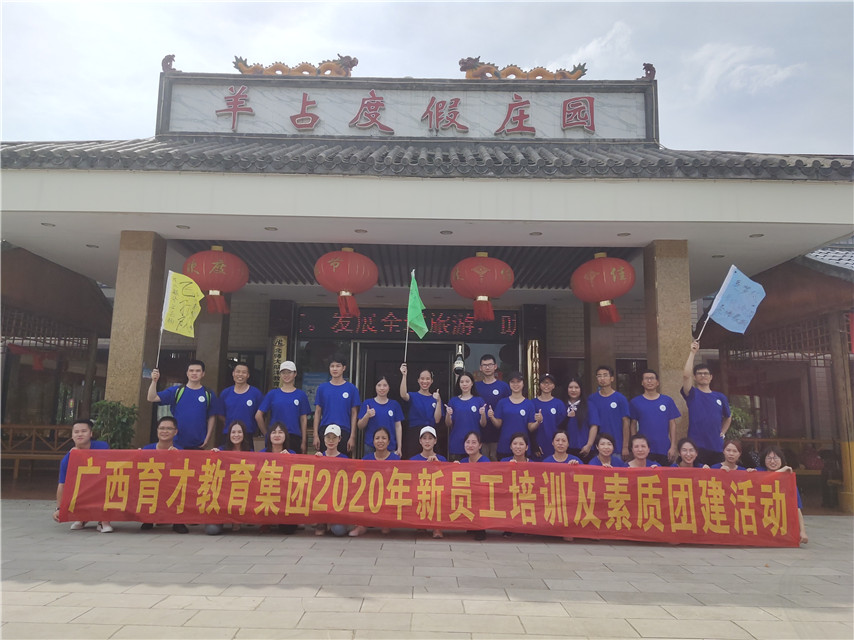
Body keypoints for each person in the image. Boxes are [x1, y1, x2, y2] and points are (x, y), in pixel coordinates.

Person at [53, 418, 112, 533]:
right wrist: (59, 509)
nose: (80, 434)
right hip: (82, 490)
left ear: (91, 434)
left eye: (84, 431)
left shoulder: (102, 447)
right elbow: (62, 484)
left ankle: (103, 520)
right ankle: (82, 517)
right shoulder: (67, 459)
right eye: (76, 432)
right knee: (74, 487)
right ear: (72, 435)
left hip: (101, 486)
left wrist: (81, 455)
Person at [681, 340, 732, 466]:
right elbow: (686, 376)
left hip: (717, 446)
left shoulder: (720, 397)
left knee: (718, 476)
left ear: (711, 377)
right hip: (696, 447)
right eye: (699, 374)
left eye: (706, 373)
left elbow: (728, 417)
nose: (703, 376)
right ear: (695, 377)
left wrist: (723, 432)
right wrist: (692, 353)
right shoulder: (692, 394)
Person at [147, 360, 217, 450]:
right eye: (191, 370)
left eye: (198, 371)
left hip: (198, 443)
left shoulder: (208, 393)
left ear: (203, 374)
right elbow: (152, 398)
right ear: (187, 373)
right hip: (176, 443)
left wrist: (207, 438)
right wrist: (154, 381)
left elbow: (212, 416)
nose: (194, 373)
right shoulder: (176, 391)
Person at [139, 416, 189, 534]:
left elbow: (184, 474)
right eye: (161, 428)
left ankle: (177, 521)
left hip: (171, 486)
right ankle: (148, 518)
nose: (164, 431)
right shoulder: (147, 450)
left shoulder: (180, 451)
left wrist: (176, 459)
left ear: (175, 432)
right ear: (157, 430)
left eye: (169, 429)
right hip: (151, 484)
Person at [206, 421, 254, 535]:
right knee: (212, 530)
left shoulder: (250, 452)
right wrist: (214, 456)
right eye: (233, 432)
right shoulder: (221, 450)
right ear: (229, 434)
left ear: (244, 434)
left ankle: (237, 518)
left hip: (241, 491)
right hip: (223, 493)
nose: (236, 435)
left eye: (239, 432)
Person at [351, 427, 399, 537]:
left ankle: (386, 522)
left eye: (384, 438)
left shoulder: (395, 459)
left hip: (387, 496)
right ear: (373, 441)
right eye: (377, 438)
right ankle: (361, 525)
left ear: (389, 441)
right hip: (369, 495)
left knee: (385, 531)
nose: (380, 441)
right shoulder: (366, 458)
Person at [256, 361, 310, 454]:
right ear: (280, 375)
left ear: (295, 374)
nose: (286, 375)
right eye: (283, 372)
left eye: (289, 372)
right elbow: (258, 415)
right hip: (276, 437)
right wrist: (267, 434)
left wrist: (304, 441)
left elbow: (303, 419)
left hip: (294, 436)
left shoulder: (301, 395)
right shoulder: (272, 394)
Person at [758, 445, 808, 544]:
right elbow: (763, 480)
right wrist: (781, 471)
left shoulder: (788, 479)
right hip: (761, 522)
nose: (772, 461)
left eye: (776, 458)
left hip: (780, 523)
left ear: (782, 459)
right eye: (769, 458)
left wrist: (803, 532)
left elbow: (796, 507)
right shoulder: (758, 471)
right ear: (764, 460)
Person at [630, 369, 681, 465]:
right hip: (644, 449)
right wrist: (634, 444)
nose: (649, 381)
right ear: (642, 382)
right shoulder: (635, 402)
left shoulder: (667, 400)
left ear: (657, 382)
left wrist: (673, 446)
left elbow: (672, 424)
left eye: (652, 378)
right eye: (646, 378)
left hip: (664, 448)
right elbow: (633, 425)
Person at [313, 355, 360, 455]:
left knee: (343, 462)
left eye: (338, 366)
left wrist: (352, 436)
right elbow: (317, 412)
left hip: (344, 430)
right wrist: (315, 435)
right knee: (324, 461)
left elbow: (354, 414)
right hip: (325, 429)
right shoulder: (322, 388)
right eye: (332, 366)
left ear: (344, 368)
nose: (335, 369)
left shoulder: (352, 389)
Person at [489, 371, 536, 461]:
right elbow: (498, 424)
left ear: (523, 384)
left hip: (522, 447)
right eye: (512, 382)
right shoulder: (502, 402)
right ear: (509, 384)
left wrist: (538, 421)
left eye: (518, 382)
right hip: (504, 445)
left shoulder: (529, 404)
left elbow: (530, 427)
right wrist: (492, 417)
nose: (515, 384)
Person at [399, 363, 443, 459]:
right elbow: (403, 395)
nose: (425, 381)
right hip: (414, 434)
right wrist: (404, 375)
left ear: (431, 381)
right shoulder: (413, 395)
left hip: (430, 435)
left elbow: (437, 419)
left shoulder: (435, 398)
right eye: (422, 379)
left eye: (427, 379)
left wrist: (438, 401)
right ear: (418, 380)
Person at [217, 362, 264, 449]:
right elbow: (220, 414)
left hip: (248, 433)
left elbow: (260, 414)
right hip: (228, 433)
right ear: (233, 373)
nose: (240, 374)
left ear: (248, 375)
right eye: (238, 371)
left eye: (244, 372)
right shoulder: (225, 393)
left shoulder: (256, 393)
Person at [410, 426, 446, 538]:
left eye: (430, 438)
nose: (427, 441)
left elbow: (446, 479)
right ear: (420, 441)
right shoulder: (413, 460)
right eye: (424, 438)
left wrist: (438, 464)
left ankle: (437, 527)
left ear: (435, 441)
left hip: (436, 492)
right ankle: (421, 524)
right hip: (420, 491)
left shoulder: (442, 459)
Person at [588, 366, 631, 460]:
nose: (602, 378)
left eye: (605, 375)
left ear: (612, 378)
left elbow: (626, 423)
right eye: (599, 376)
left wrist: (625, 446)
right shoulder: (592, 399)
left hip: (617, 447)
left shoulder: (620, 399)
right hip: (597, 448)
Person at [314, 424, 349, 537]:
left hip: (338, 501)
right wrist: (316, 461)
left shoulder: (345, 459)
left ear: (339, 439)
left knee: (339, 530)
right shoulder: (319, 457)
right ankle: (322, 521)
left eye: (334, 437)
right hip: (322, 499)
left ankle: (331, 522)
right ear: (323, 439)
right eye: (328, 437)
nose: (331, 440)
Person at [357, 376, 404, 458]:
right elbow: (360, 426)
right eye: (379, 385)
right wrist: (367, 416)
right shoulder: (368, 403)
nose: (382, 388)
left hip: (390, 445)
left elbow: (398, 426)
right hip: (371, 446)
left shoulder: (394, 405)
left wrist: (399, 447)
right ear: (375, 387)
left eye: (385, 385)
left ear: (389, 387)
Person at [454, 431, 489, 541]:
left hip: (481, 495)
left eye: (474, 442)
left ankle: (480, 528)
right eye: (467, 442)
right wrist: (455, 468)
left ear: (480, 445)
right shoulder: (463, 461)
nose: (470, 445)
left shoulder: (485, 461)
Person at [475, 354, 510, 460]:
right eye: (484, 365)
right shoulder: (475, 386)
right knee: (482, 463)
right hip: (480, 432)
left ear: (495, 366)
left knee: (496, 462)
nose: (487, 367)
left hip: (499, 432)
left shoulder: (503, 386)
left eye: (490, 365)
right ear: (480, 368)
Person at [445, 372, 486, 461]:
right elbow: (448, 424)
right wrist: (448, 414)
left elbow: (483, 424)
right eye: (462, 382)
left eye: (467, 381)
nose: (464, 384)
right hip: (457, 442)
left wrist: (483, 414)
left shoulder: (479, 400)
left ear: (472, 383)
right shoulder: (453, 401)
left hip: (473, 444)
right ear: (459, 384)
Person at [532, 373, 565, 460]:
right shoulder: (532, 403)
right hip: (538, 446)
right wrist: (534, 444)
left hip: (555, 445)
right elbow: (529, 427)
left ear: (553, 386)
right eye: (544, 382)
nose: (546, 385)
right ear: (539, 385)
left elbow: (562, 427)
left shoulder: (559, 404)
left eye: (549, 383)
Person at [565, 378, 595, 461]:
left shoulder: (589, 405)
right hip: (565, 449)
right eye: (570, 387)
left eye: (576, 387)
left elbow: (594, 426)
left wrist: (589, 445)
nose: (573, 390)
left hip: (584, 449)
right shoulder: (562, 404)